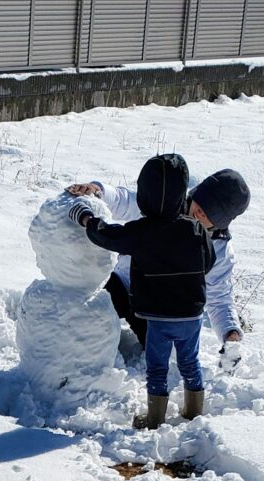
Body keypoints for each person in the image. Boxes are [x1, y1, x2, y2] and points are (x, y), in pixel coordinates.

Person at [68, 154, 215, 427]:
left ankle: (155, 417)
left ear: (144, 195)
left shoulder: (142, 231)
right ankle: (194, 411)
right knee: (190, 362)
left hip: (158, 317)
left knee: (157, 367)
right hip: (191, 315)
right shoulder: (196, 229)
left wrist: (87, 219)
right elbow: (209, 261)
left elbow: (109, 236)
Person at [67, 168, 251, 350]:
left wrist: (231, 335)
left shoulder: (219, 249)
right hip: (124, 284)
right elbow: (127, 201)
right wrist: (98, 191)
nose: (201, 213)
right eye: (202, 204)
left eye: (212, 213)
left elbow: (220, 299)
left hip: (159, 308)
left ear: (223, 221)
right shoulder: (166, 204)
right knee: (90, 320)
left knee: (160, 350)